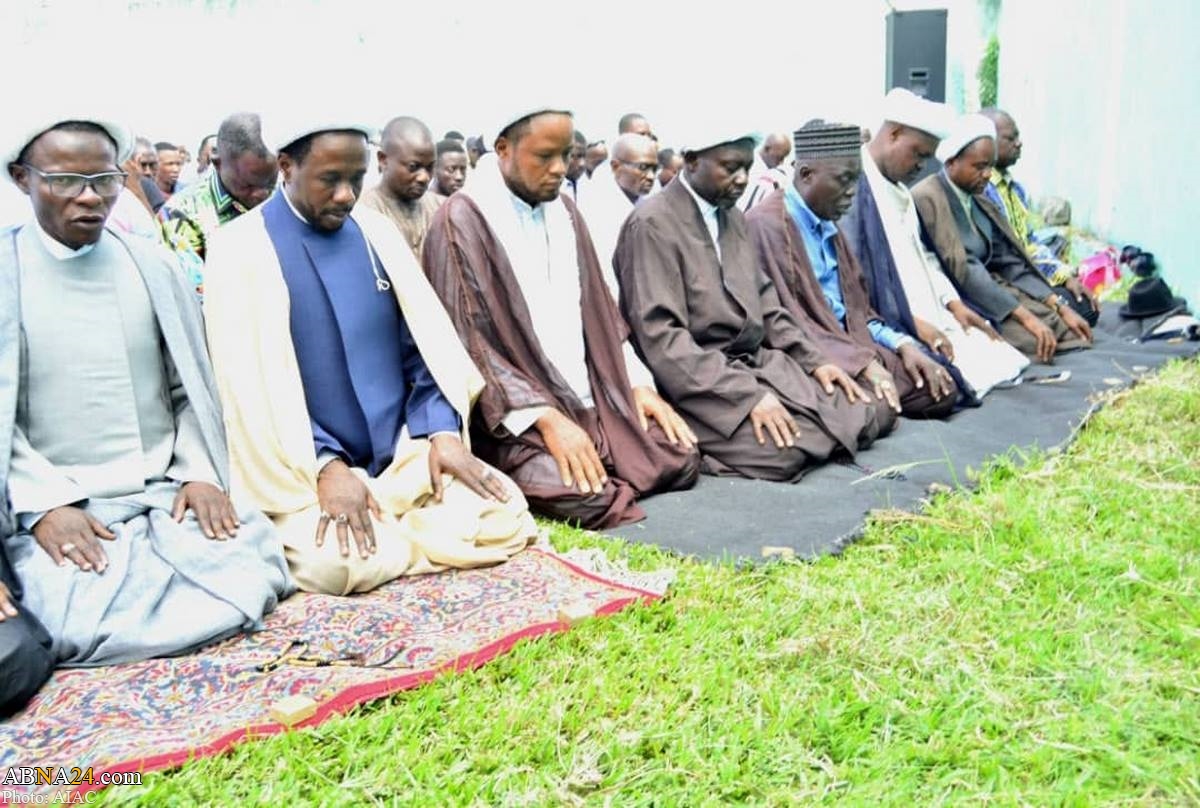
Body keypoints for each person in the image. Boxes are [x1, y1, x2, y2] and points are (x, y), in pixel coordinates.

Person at [2, 115, 292, 666]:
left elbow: (188, 389)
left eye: (104, 180)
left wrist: (199, 473)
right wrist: (44, 506)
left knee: (248, 555)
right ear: (22, 179)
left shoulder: (154, 266)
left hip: (164, 490)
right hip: (65, 501)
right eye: (66, 181)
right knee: (69, 603)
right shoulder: (5, 274)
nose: (90, 197)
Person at [203, 119, 537, 595]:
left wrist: (441, 434)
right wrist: (325, 466)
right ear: (286, 167)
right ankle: (408, 536)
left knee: (505, 513)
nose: (345, 195)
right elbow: (247, 391)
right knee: (335, 564)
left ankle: (395, 534)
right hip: (305, 474)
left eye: (356, 178)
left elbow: (423, 351)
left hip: (403, 457)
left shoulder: (375, 232)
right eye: (329, 179)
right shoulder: (238, 249)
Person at [422, 107, 699, 528]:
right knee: (587, 495)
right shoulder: (461, 219)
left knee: (680, 454)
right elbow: (473, 347)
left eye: (565, 155)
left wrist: (638, 386)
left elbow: (602, 316)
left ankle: (602, 457)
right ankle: (588, 464)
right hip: (515, 419)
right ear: (503, 150)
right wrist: (546, 418)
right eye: (544, 156)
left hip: (588, 400)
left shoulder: (566, 209)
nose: (558, 169)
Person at [614, 128, 891, 482]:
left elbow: (767, 305)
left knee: (869, 409)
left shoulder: (732, 216)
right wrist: (746, 397)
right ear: (692, 161)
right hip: (698, 381)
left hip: (757, 363)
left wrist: (814, 361)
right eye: (731, 168)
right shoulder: (651, 224)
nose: (743, 179)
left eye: (746, 167)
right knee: (784, 450)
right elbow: (663, 340)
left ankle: (801, 421)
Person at [746, 122, 958, 419]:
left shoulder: (829, 222)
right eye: (844, 180)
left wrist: (903, 344)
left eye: (855, 181)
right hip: (811, 353)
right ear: (806, 174)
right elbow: (789, 322)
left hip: (854, 342)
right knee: (874, 409)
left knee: (940, 387)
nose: (851, 193)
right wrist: (861, 364)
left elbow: (859, 312)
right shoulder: (766, 225)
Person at [842, 89, 1029, 399]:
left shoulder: (900, 190)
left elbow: (924, 256)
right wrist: (912, 324)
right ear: (894, 134)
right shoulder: (852, 187)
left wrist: (954, 304)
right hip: (889, 321)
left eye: (927, 158)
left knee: (1001, 354)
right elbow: (854, 283)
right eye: (918, 154)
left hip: (931, 311)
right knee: (944, 383)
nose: (922, 166)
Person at [913, 115, 1093, 363]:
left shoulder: (978, 198)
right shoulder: (929, 196)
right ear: (952, 162)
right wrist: (1026, 317)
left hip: (996, 287)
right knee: (1036, 340)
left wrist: (1058, 304)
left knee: (1071, 318)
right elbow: (965, 271)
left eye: (990, 166)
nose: (988, 175)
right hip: (963, 297)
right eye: (979, 167)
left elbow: (1008, 260)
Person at [980, 108, 1099, 324]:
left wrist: (1064, 276)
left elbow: (1029, 243)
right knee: (1076, 312)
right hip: (1006, 281)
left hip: (1028, 275)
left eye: (1018, 137)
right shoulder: (983, 190)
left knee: (1085, 307)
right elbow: (1004, 259)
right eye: (1010, 138)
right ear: (988, 142)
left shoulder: (1015, 190)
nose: (1019, 143)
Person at [159, 113, 277, 296]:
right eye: (248, 185)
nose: (262, 195)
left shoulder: (285, 194)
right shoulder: (180, 215)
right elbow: (195, 298)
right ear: (217, 162)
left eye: (269, 183)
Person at [358, 116, 444, 258]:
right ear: (383, 160)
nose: (424, 177)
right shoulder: (362, 212)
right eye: (413, 167)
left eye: (430, 167)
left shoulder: (441, 209)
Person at [583, 132, 658, 294]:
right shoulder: (596, 210)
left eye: (654, 169)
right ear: (616, 167)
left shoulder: (652, 204)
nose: (651, 176)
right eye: (643, 168)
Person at [738, 132, 791, 212]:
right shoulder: (749, 168)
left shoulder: (772, 174)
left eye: (783, 158)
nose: (781, 163)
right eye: (779, 157)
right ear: (767, 149)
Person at [561, 130, 589, 203]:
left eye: (584, 156)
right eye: (578, 156)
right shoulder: (547, 192)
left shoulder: (590, 189)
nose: (582, 164)